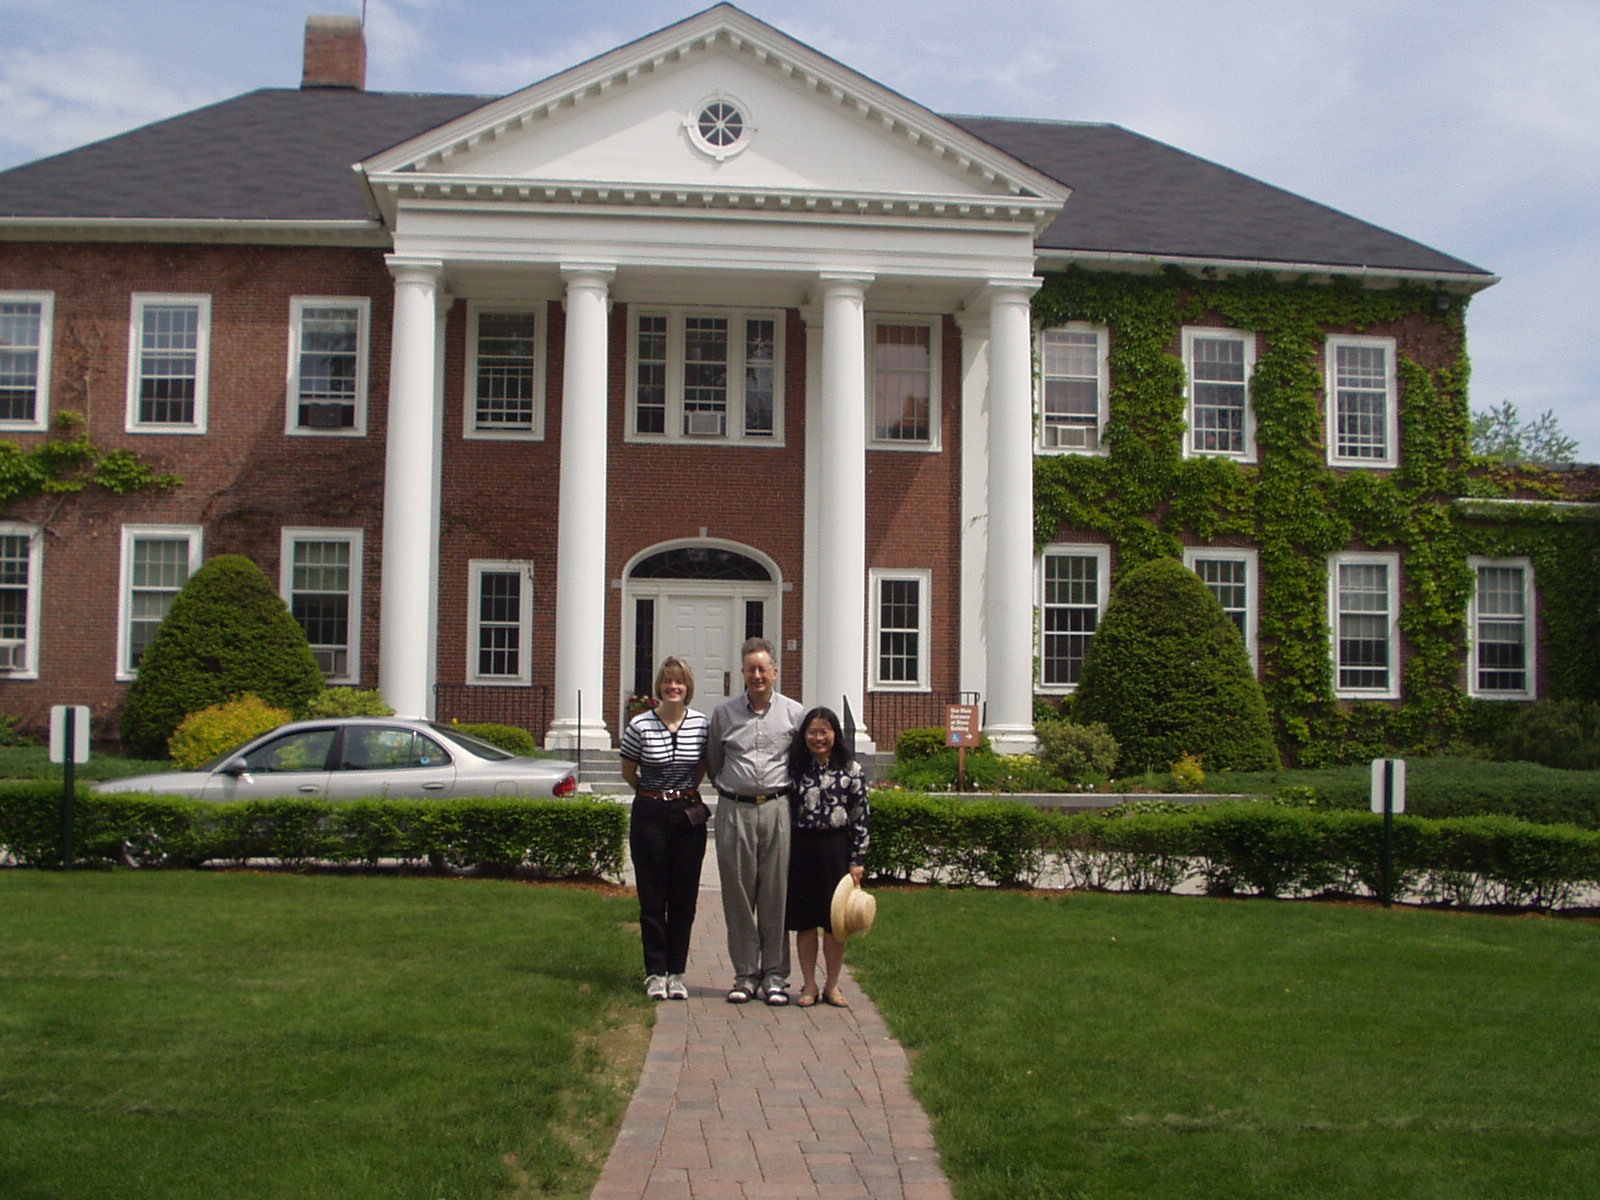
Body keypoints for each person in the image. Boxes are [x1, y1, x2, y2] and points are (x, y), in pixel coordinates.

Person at [705, 637, 805, 1006]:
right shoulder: (724, 714)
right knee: (738, 895)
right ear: (742, 674)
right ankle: (745, 974)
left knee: (776, 894)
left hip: (778, 809)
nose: (758, 675)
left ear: (775, 672)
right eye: (751, 669)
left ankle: (776, 976)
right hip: (734, 811)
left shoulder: (795, 714)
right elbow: (714, 763)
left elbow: (800, 761)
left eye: (764, 669)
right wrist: (736, 789)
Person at [620, 657, 710, 1002]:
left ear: (688, 687)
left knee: (684, 897)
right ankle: (655, 972)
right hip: (650, 813)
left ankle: (677, 973)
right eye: (667, 682)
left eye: (680, 682)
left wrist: (681, 795)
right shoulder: (640, 725)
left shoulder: (701, 724)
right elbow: (630, 771)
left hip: (688, 814)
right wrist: (654, 795)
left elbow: (701, 766)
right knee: (653, 896)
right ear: (659, 686)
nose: (673, 687)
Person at [784, 706, 871, 1008]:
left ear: (835, 734)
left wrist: (857, 859)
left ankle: (832, 986)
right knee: (806, 922)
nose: (818, 738)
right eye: (812, 732)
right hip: (802, 848)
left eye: (824, 731)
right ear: (804, 735)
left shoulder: (851, 770)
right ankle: (809, 985)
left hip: (836, 849)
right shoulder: (794, 769)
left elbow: (861, 816)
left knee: (836, 923)